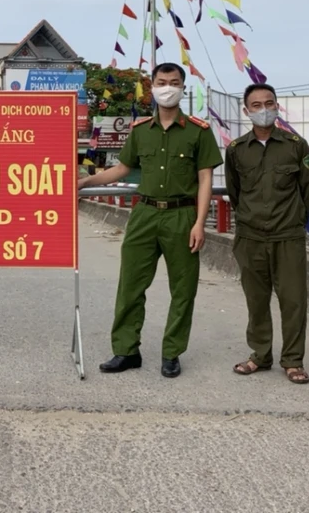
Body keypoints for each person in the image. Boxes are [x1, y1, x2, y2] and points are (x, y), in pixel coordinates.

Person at [79, 62, 222, 378]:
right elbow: (122, 169)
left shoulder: (199, 131)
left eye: (173, 82)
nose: (167, 87)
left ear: (183, 88)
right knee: (130, 284)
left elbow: (205, 179)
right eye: (161, 82)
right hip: (144, 214)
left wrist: (200, 223)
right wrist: (84, 182)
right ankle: (126, 351)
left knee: (183, 289)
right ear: (152, 88)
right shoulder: (141, 130)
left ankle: (172, 353)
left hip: (182, 215)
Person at [224, 83, 309, 385]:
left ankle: (293, 360)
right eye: (256, 105)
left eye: (269, 103)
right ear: (246, 110)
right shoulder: (236, 150)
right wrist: (250, 219)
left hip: (288, 235)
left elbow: (307, 189)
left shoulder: (295, 145)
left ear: (277, 106)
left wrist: (293, 221)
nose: (263, 109)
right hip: (250, 236)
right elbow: (234, 192)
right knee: (257, 299)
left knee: (293, 300)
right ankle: (260, 355)